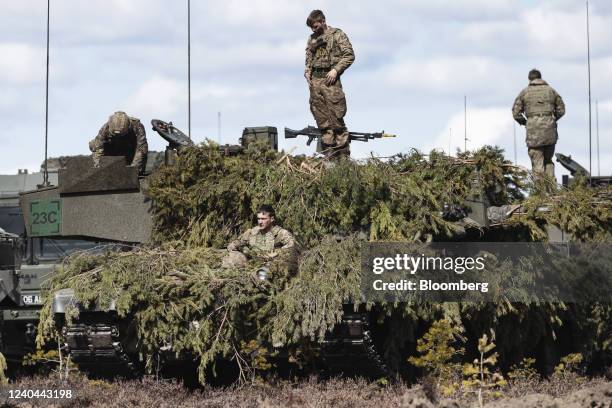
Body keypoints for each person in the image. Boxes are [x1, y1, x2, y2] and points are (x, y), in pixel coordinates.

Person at [304, 9, 355, 159]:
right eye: (311, 27)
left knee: (336, 120)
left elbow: (349, 55)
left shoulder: (337, 35)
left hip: (330, 81)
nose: (313, 29)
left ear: (323, 21)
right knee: (322, 121)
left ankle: (343, 158)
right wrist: (307, 71)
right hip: (315, 82)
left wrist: (336, 70)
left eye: (315, 26)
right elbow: (308, 57)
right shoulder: (312, 38)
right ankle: (329, 156)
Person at [512, 69, 565, 180]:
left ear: (529, 79)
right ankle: (551, 189)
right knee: (548, 161)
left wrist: (526, 122)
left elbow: (516, 113)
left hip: (533, 132)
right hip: (550, 131)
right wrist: (552, 120)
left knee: (537, 162)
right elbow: (561, 110)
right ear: (540, 77)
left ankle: (540, 192)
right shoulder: (551, 91)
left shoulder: (525, 92)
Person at [222, 205, 296, 268]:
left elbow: (293, 245)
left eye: (263, 219)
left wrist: (277, 253)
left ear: (272, 219)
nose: (260, 222)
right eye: (259, 219)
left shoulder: (281, 233)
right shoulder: (252, 232)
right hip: (250, 264)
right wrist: (240, 251)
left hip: (270, 265)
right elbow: (235, 244)